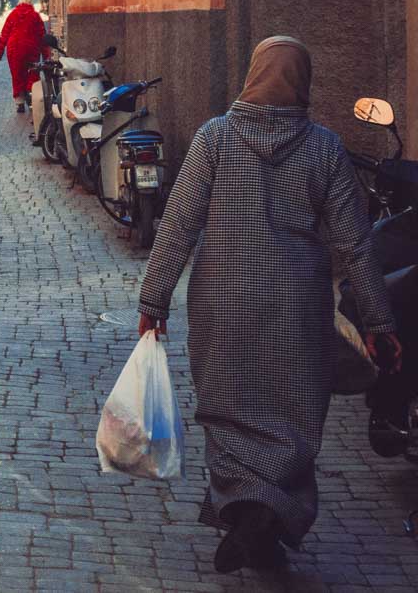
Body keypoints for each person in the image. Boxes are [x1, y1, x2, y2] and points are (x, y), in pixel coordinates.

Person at [137, 37, 402, 574]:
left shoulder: (215, 138)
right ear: (302, 82)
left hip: (222, 301)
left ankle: (245, 512)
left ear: (252, 74)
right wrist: (377, 320)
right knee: (293, 413)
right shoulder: (324, 148)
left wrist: (154, 299)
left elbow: (179, 225)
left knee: (228, 406)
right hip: (297, 309)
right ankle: (266, 514)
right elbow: (354, 243)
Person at [0, 0, 47, 113]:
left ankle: (19, 102)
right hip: (32, 48)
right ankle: (31, 95)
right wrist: (46, 55)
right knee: (33, 73)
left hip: (15, 49)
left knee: (17, 75)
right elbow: (43, 36)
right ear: (31, 4)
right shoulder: (35, 16)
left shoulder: (13, 14)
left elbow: (4, 34)